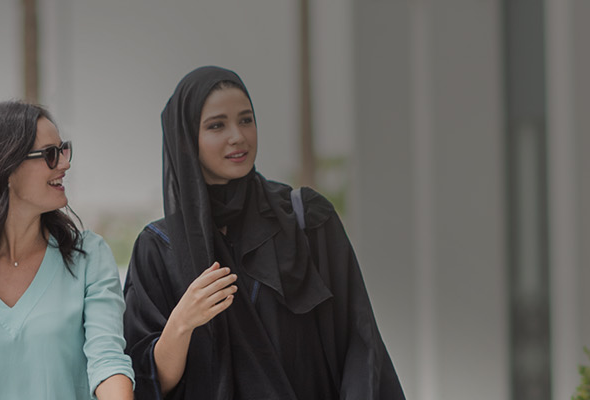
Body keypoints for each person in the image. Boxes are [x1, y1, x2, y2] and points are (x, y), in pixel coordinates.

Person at [123, 66, 403, 400]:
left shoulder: (307, 220)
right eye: (216, 125)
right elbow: (145, 382)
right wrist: (182, 322)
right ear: (186, 139)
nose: (238, 136)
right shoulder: (159, 248)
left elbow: (360, 343)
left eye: (246, 119)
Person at [0, 102, 135, 399]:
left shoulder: (89, 256)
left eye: (63, 150)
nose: (65, 163)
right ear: (5, 167)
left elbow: (107, 362)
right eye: (50, 154)